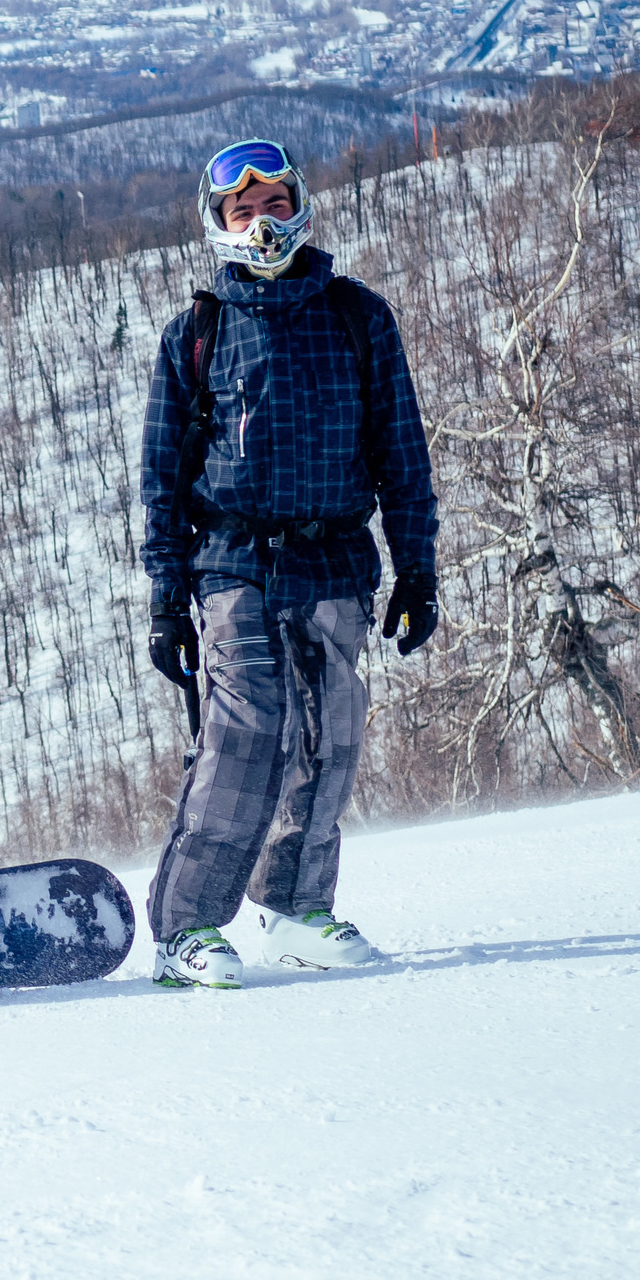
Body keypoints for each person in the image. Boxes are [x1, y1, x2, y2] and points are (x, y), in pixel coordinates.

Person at [138, 139, 439, 988]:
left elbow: (402, 454)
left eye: (274, 202)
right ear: (217, 223)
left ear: (300, 205)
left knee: (331, 732)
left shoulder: (357, 315)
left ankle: (295, 907)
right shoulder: (195, 334)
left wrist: (417, 569)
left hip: (337, 557)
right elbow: (161, 480)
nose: (262, 221)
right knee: (244, 731)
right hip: (234, 559)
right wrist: (167, 599)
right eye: (243, 209)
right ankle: (187, 926)